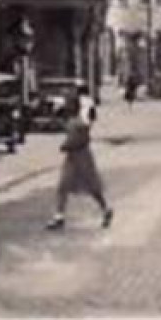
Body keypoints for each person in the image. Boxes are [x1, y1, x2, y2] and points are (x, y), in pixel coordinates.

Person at [47, 83, 113, 230]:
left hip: (82, 155)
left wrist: (66, 144)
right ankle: (59, 216)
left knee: (92, 186)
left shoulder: (80, 122)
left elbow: (80, 137)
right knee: (63, 185)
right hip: (73, 156)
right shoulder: (73, 119)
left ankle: (106, 209)